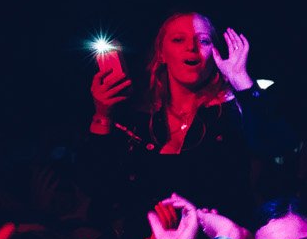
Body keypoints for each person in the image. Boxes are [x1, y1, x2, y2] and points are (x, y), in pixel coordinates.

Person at [84, 13, 286, 221]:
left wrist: (240, 79)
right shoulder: (141, 118)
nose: (191, 47)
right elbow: (97, 184)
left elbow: (276, 145)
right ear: (161, 53)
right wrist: (102, 115)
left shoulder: (234, 111)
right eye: (178, 40)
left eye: (204, 40)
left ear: (215, 52)